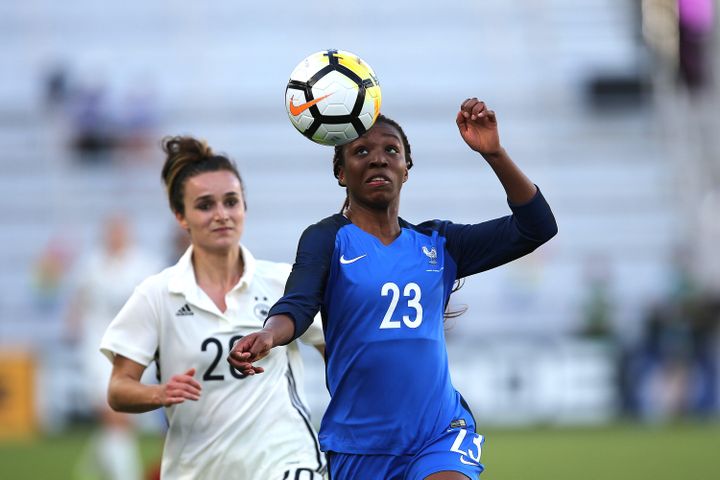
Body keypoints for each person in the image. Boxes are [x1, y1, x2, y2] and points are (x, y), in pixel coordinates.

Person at [229, 98, 558, 479]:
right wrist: (271, 334)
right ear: (340, 172)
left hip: (438, 434)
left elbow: (537, 226)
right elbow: (299, 304)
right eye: (361, 151)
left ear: (406, 168)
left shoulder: (439, 243)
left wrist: (494, 153)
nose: (378, 158)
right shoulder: (327, 238)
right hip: (360, 445)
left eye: (391, 150)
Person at [99, 136, 327, 479]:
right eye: (205, 205)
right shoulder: (157, 294)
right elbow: (118, 389)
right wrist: (159, 392)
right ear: (181, 216)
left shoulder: (283, 281)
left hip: (286, 460)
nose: (221, 214)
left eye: (231, 202)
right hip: (199, 469)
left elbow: (337, 350)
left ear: (244, 207)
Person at [65, 213, 160, 480]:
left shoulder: (145, 263)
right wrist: (72, 323)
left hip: (135, 346)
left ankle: (99, 461)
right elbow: (79, 298)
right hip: (97, 345)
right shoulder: (92, 264)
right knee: (112, 412)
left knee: (122, 416)